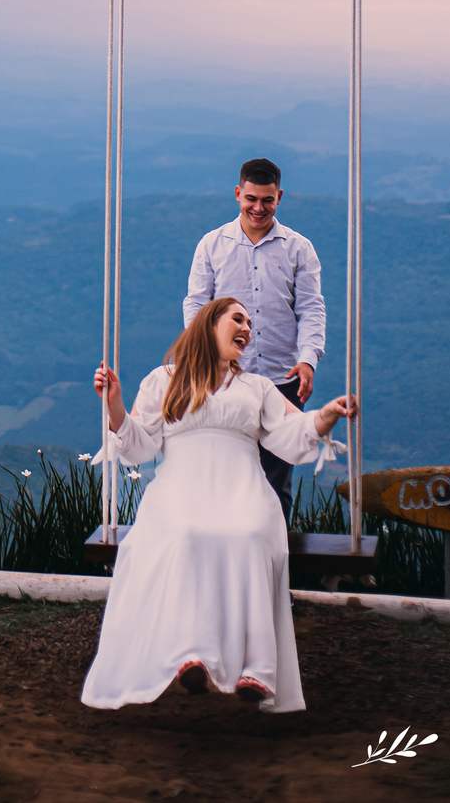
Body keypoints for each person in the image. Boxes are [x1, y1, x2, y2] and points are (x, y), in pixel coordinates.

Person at [81, 297, 356, 713]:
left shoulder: (257, 387)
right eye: (238, 319)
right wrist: (114, 402)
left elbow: (292, 432)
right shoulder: (164, 379)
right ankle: (191, 656)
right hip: (180, 491)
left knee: (249, 536)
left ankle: (258, 671)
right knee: (184, 534)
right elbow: (137, 445)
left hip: (242, 491)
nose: (247, 328)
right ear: (210, 325)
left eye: (250, 322)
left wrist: (327, 416)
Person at [183, 157, 324, 523]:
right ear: (237, 194)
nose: (258, 208)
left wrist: (308, 359)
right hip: (225, 380)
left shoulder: (299, 248)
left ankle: (273, 567)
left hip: (282, 379)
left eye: (267, 200)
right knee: (223, 475)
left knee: (277, 482)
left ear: (279, 197)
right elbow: (197, 305)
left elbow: (311, 308)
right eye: (250, 199)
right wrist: (201, 356)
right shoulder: (212, 245)